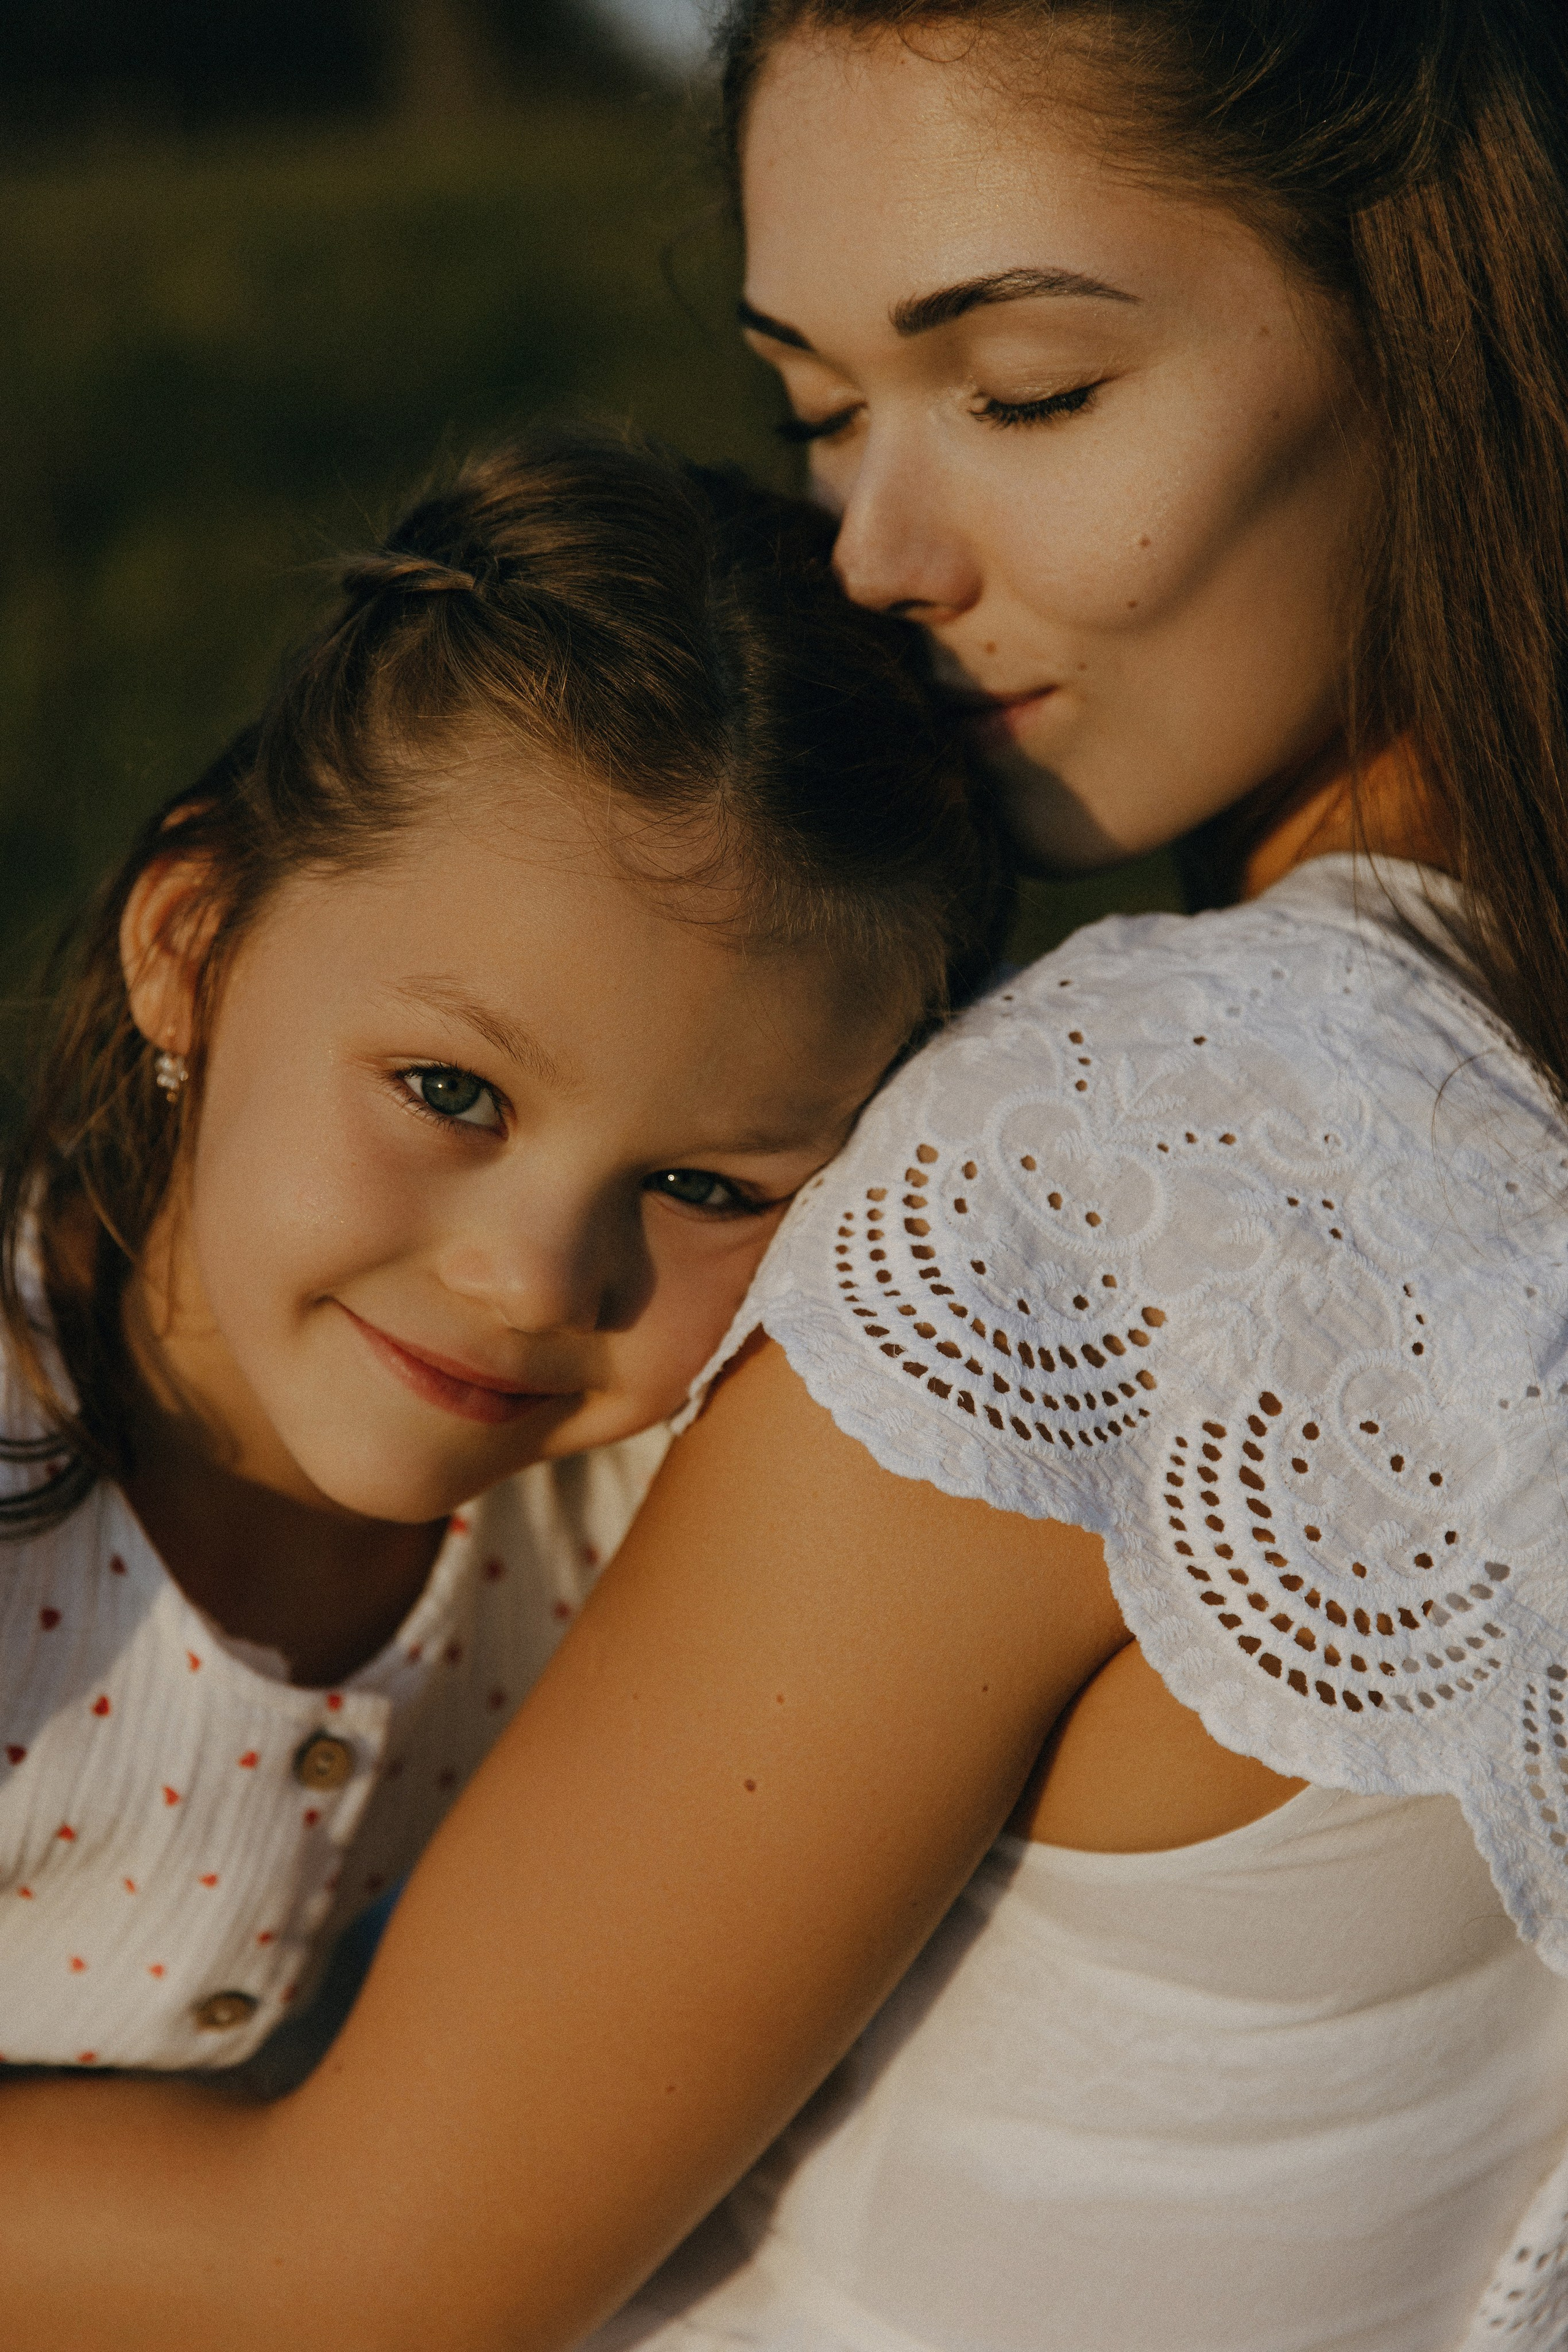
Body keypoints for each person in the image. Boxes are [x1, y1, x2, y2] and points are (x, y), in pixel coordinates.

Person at [2, 2, 1568, 2348]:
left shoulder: (1120, 1168)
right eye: (815, 417)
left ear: (1442, 320)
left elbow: (355, 2268)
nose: (875, 553)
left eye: (1026, 390)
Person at [0, 426, 1001, 2078]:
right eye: (449, 1091)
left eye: (705, 1186)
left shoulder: (666, 1517)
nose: (539, 1281)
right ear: (191, 945)